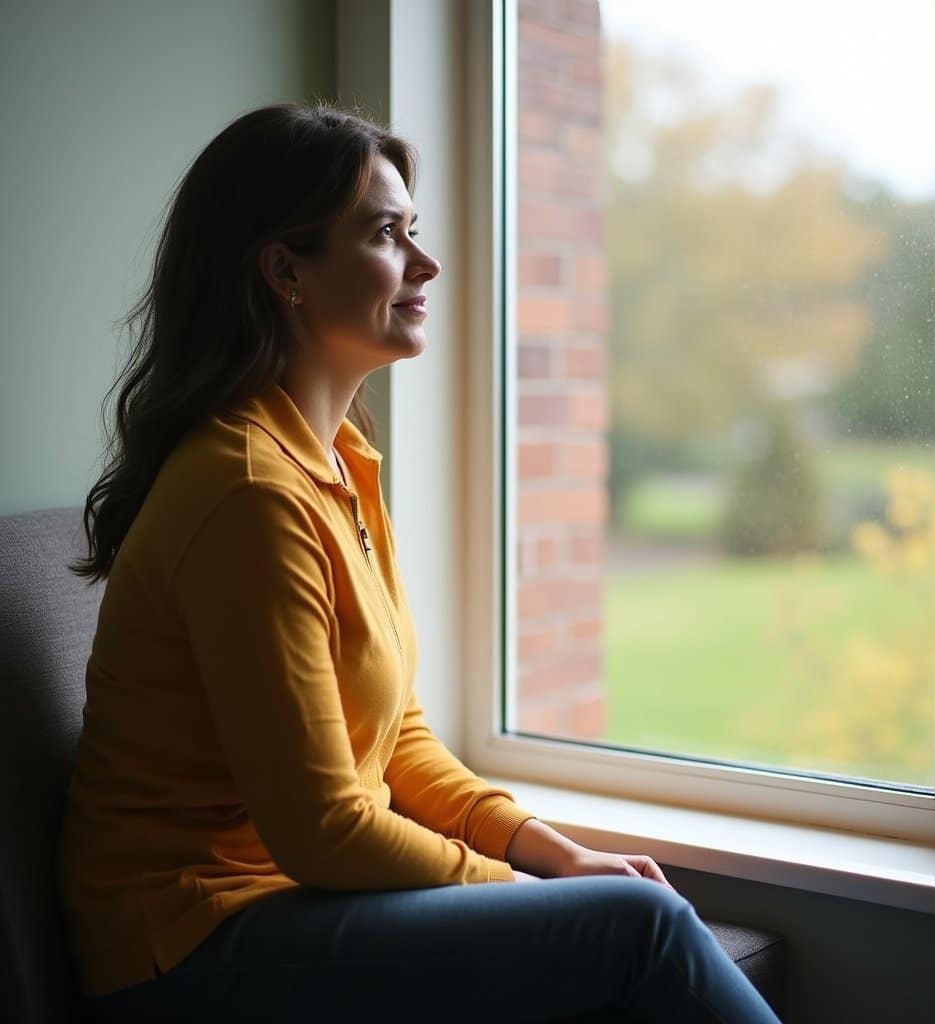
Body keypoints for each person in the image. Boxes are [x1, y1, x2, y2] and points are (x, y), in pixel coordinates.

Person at [58, 99, 782, 1023]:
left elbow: (398, 741)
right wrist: (519, 895)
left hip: (291, 908)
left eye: (414, 231)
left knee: (624, 916)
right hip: (188, 948)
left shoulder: (336, 461)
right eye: (388, 235)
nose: (425, 263)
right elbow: (325, 831)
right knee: (638, 931)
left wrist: (551, 853)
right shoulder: (246, 492)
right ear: (285, 269)